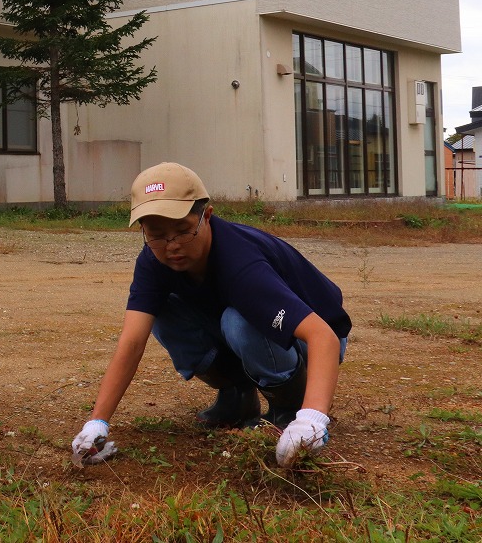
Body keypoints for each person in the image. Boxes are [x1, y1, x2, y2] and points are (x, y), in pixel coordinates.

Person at [71, 162, 350, 469]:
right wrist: (97, 422)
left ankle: (289, 405)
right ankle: (237, 398)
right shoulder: (153, 260)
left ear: (207, 216)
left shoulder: (241, 265)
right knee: (161, 312)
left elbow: (322, 336)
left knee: (240, 321)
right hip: (248, 326)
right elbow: (132, 341)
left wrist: (312, 419)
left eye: (182, 231)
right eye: (157, 234)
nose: (172, 246)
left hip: (317, 340)